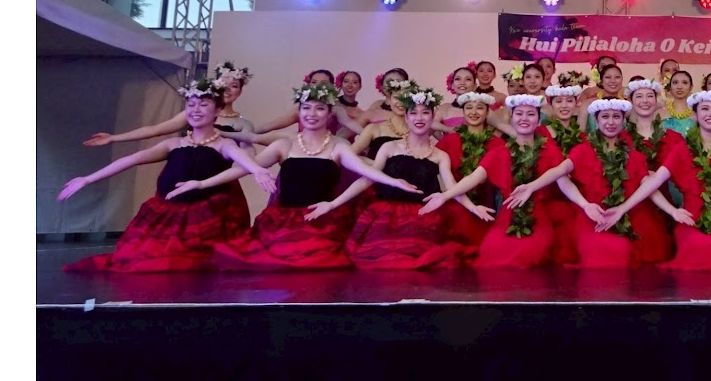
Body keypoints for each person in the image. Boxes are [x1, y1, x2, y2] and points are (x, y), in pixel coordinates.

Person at [177, 81, 414, 271]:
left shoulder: (338, 146)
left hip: (322, 221)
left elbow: (365, 171)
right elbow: (242, 168)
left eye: (319, 108)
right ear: (299, 112)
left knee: (314, 264)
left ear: (329, 113)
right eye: (306, 108)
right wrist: (201, 183)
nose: (312, 114)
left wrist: (393, 181)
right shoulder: (284, 144)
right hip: (282, 222)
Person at [61, 78, 277, 272]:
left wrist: (258, 170)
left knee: (195, 265)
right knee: (145, 261)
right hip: (170, 213)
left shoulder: (224, 144)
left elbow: (244, 158)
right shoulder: (173, 144)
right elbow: (131, 159)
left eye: (203, 105)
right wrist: (88, 179)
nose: (196, 110)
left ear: (217, 110)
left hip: (208, 215)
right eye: (191, 105)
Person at [320, 83, 486, 269]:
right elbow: (368, 179)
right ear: (406, 117)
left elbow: (452, 187)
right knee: (384, 261)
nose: (419, 118)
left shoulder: (440, 155)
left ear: (432, 117)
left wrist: (473, 207)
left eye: (425, 113)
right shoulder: (389, 147)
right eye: (413, 113)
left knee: (419, 261)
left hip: (423, 217)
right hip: (386, 217)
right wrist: (332, 204)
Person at [612, 90, 711, 271]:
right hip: (691, 218)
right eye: (705, 109)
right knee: (697, 247)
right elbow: (653, 181)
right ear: (694, 115)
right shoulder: (682, 149)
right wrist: (624, 209)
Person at [421, 94, 567, 268]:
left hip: (538, 218)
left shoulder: (550, 151)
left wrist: (586, 205)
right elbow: (473, 178)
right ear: (511, 117)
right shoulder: (499, 152)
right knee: (491, 257)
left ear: (538, 119)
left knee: (528, 255)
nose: (524, 118)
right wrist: (444, 196)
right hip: (507, 217)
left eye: (530, 114)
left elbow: (565, 183)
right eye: (519, 114)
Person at [554, 99, 677, 268]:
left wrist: (672, 211)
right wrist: (585, 205)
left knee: (639, 243)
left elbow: (649, 187)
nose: (611, 122)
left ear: (623, 120)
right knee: (606, 251)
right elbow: (559, 174)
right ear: (596, 120)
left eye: (616, 117)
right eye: (605, 117)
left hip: (628, 214)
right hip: (592, 214)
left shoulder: (633, 156)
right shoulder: (582, 151)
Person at [82, 61, 259, 147]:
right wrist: (114, 138)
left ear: (240, 90)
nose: (227, 90)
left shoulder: (243, 124)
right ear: (215, 85)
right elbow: (156, 129)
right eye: (223, 84)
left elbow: (249, 156)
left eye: (234, 86)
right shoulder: (197, 114)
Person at [621, 78, 683, 264]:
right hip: (631, 204)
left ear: (656, 101)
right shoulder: (621, 138)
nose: (645, 101)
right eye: (639, 96)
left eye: (649, 96)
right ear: (631, 101)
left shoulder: (673, 138)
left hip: (664, 204)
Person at [433, 90, 505, 247]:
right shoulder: (448, 142)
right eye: (469, 108)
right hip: (454, 204)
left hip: (487, 206)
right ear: (463, 112)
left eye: (479, 108)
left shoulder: (498, 144)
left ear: (487, 113)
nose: (474, 112)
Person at [661, 70, 696, 135]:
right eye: (675, 82)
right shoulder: (660, 113)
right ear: (670, 87)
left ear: (691, 87)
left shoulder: (697, 113)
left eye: (684, 82)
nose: (679, 87)